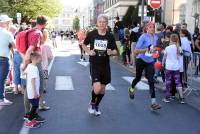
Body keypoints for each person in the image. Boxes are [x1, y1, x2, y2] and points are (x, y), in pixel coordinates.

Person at [81, 14, 118, 116]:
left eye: (104, 22)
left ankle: (96, 105)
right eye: (100, 22)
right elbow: (83, 44)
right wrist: (88, 51)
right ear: (97, 23)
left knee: (102, 90)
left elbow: (115, 51)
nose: (102, 23)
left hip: (105, 65)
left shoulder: (110, 36)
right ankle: (92, 102)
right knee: (97, 88)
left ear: (106, 24)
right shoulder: (92, 34)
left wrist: (111, 52)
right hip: (95, 64)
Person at [128, 21, 161, 111]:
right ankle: (131, 88)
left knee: (151, 80)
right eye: (150, 27)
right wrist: (146, 49)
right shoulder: (143, 37)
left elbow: (153, 48)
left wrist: (155, 51)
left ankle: (153, 103)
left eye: (153, 27)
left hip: (150, 61)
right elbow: (136, 51)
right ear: (146, 28)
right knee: (138, 78)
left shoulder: (156, 37)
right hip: (141, 60)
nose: (152, 29)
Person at [23, 16, 47, 121]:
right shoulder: (37, 33)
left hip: (31, 62)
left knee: (29, 87)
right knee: (38, 85)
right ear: (44, 24)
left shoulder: (30, 31)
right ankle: (32, 113)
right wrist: (26, 63)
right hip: (34, 62)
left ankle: (29, 112)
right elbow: (30, 50)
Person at [162, 34, 185, 103]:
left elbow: (164, 57)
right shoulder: (179, 48)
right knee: (178, 82)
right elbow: (180, 56)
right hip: (176, 67)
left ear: (170, 39)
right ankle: (181, 98)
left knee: (168, 82)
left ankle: (167, 97)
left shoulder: (167, 48)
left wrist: (162, 63)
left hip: (169, 67)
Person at [24, 52, 44, 128]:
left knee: (34, 105)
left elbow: (24, 72)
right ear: (35, 59)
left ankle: (32, 119)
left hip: (30, 91)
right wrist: (35, 92)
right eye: (40, 58)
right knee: (35, 106)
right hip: (33, 91)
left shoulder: (29, 66)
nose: (41, 59)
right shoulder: (34, 68)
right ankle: (29, 121)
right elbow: (32, 81)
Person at [0, 14, 15, 105]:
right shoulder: (8, 33)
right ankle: (1, 99)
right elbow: (15, 46)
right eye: (8, 22)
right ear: (4, 23)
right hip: (4, 58)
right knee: (2, 79)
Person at [40, 29, 53, 96]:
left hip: (36, 63)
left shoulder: (36, 45)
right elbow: (51, 56)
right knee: (44, 77)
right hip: (44, 64)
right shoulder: (46, 45)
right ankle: (44, 88)